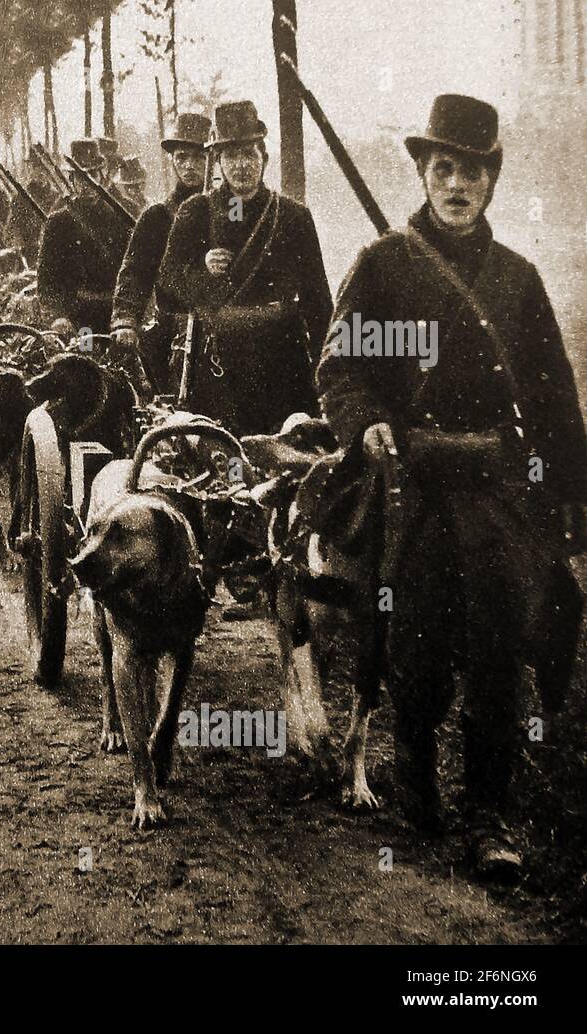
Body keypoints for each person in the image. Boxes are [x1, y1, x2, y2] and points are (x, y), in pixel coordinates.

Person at [316, 94, 587, 880]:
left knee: (501, 648)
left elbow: (552, 397)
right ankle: (418, 777)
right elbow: (340, 368)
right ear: (424, 177)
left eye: (471, 172)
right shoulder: (383, 265)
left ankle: (490, 815)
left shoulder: (518, 280)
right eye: (443, 170)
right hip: (414, 486)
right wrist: (364, 422)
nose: (456, 185)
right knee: (417, 639)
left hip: (496, 492)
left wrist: (568, 489)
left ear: (491, 182)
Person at [158, 100, 331, 435]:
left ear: (263, 159)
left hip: (284, 360)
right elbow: (166, 289)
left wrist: (326, 366)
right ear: (218, 162)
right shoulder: (197, 212)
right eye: (231, 156)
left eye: (249, 154)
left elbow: (317, 298)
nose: (241, 165)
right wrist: (202, 270)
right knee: (222, 461)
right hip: (219, 364)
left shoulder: (293, 216)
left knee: (290, 452)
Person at [111, 113, 209, 393]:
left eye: (198, 158)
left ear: (211, 159)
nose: (189, 166)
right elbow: (134, 273)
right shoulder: (157, 217)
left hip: (224, 329)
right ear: (173, 161)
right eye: (181, 158)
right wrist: (126, 321)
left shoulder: (228, 214)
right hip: (172, 332)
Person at [37, 138, 132, 339]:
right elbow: (47, 280)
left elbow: (138, 272)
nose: (87, 183)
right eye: (80, 177)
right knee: (86, 362)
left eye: (92, 175)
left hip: (119, 318)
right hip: (79, 320)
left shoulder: (121, 217)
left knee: (125, 367)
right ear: (71, 180)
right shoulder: (58, 223)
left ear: (102, 176)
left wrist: (129, 320)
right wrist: (57, 317)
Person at [4, 145, 60, 266]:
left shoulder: (57, 198)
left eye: (44, 168)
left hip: (54, 255)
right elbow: (13, 227)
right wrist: (19, 244)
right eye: (36, 167)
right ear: (30, 169)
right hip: (28, 256)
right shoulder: (20, 198)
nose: (40, 172)